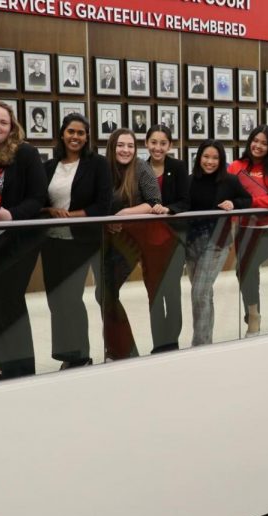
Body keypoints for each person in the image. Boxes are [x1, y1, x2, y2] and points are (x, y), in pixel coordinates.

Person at [0, 100, 47, 381]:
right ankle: (2, 365)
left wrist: (11, 214)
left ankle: (22, 368)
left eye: (3, 122)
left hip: (16, 239)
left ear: (12, 126)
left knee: (7, 299)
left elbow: (39, 198)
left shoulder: (26, 153)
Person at [38, 114, 111, 369]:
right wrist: (50, 212)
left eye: (81, 133)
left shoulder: (98, 164)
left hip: (81, 240)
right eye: (71, 131)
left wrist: (71, 215)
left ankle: (80, 354)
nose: (75, 137)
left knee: (71, 298)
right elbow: (40, 203)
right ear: (62, 134)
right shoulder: (48, 167)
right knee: (55, 299)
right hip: (51, 241)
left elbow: (103, 205)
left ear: (87, 137)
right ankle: (66, 355)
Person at [109, 124, 189, 354]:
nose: (158, 147)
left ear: (170, 145)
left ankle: (171, 340)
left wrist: (167, 209)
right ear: (146, 144)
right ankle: (159, 344)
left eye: (163, 143)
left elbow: (185, 201)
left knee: (171, 291)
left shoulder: (178, 167)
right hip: (146, 239)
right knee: (153, 292)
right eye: (153, 142)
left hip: (172, 237)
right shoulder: (139, 167)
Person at [99, 128, 162, 360]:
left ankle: (123, 350)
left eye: (130, 146)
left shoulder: (141, 168)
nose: (125, 150)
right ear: (112, 147)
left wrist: (124, 213)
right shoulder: (103, 167)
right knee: (103, 294)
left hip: (131, 240)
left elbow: (154, 202)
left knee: (106, 291)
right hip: (104, 240)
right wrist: (108, 220)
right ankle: (117, 347)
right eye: (121, 145)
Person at [186, 140, 251, 345]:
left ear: (221, 160)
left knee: (199, 292)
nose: (210, 161)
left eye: (215, 158)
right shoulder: (189, 180)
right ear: (199, 158)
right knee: (204, 294)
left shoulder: (229, 181)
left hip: (218, 241)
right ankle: (206, 341)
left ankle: (200, 345)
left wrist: (234, 203)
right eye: (206, 157)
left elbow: (247, 200)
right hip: (191, 241)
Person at [229, 125, 268, 336]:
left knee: (248, 265)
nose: (258, 146)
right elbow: (226, 194)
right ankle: (253, 314)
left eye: (264, 143)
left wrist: (248, 202)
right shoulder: (237, 166)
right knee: (243, 269)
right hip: (244, 229)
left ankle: (253, 317)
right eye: (255, 141)